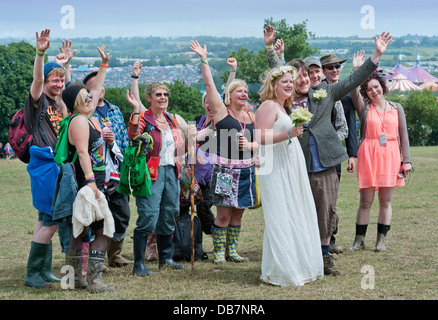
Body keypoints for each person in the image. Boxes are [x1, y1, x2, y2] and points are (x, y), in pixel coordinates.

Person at [264, 25, 393, 275]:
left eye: (307, 75)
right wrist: (270, 48)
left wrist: (376, 56)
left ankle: (324, 259)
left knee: (325, 213)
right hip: (294, 165)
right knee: (297, 211)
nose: (303, 79)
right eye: (298, 76)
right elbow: (279, 72)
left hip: (325, 165)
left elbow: (353, 80)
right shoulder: (284, 100)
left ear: (315, 77)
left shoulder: (326, 93)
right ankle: (300, 258)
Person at [190, 40, 259, 265]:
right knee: (224, 214)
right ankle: (219, 251)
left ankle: (233, 250)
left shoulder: (252, 116)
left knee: (239, 212)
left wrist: (254, 149)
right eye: (239, 91)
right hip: (225, 171)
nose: (244, 94)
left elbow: (259, 141)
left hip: (247, 170)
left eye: (246, 91)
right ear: (229, 94)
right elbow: (209, 85)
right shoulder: (221, 112)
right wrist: (204, 59)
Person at [256, 65, 324, 286]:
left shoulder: (284, 107)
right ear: (273, 85)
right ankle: (282, 269)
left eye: (290, 82)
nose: (288, 85)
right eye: (283, 81)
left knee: (294, 210)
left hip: (290, 166)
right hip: (275, 168)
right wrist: (289, 133)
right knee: (280, 213)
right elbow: (260, 136)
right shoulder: (268, 105)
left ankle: (296, 264)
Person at [126, 80, 196, 275]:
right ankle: (139, 264)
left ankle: (165, 258)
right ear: (149, 98)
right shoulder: (143, 119)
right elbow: (132, 136)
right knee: (148, 215)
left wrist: (189, 139)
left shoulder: (173, 120)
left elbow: (182, 144)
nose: (163, 97)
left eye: (165, 94)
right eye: (158, 94)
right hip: (150, 173)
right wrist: (133, 111)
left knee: (170, 213)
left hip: (172, 172)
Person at [63, 45, 117, 293]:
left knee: (82, 228)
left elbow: (95, 91)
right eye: (84, 95)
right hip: (86, 182)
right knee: (104, 227)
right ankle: (93, 281)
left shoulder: (82, 116)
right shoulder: (80, 121)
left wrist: (103, 65)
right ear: (76, 101)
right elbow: (83, 153)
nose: (90, 97)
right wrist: (91, 182)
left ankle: (74, 280)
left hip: (88, 181)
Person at [348, 51, 412, 252]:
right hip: (369, 155)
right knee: (365, 201)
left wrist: (407, 160)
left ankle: (381, 241)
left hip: (391, 156)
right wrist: (357, 71)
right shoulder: (364, 108)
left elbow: (403, 136)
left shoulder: (397, 108)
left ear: (382, 87)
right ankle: (359, 240)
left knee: (386, 201)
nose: (373, 91)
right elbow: (352, 91)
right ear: (365, 93)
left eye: (376, 87)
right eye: (369, 89)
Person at [23, 29, 69, 288]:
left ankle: (42, 270)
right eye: (55, 80)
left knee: (44, 220)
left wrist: (64, 66)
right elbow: (38, 82)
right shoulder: (38, 101)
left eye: (60, 80)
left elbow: (65, 91)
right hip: (45, 164)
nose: (58, 84)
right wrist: (41, 53)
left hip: (54, 165)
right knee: (51, 220)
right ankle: (33, 274)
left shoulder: (57, 103)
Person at [83, 70, 132, 268]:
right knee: (97, 217)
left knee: (122, 214)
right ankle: (97, 259)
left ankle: (115, 255)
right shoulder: (85, 113)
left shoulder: (116, 111)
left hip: (117, 173)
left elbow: (125, 141)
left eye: (102, 84)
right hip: (95, 172)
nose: (100, 88)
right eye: (95, 85)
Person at [320, 53, 359, 255]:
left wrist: (352, 154)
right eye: (330, 67)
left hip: (335, 153)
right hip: (315, 153)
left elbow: (351, 123)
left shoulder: (344, 92)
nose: (335, 70)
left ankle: (331, 238)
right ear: (323, 71)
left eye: (337, 67)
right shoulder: (317, 89)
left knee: (332, 198)